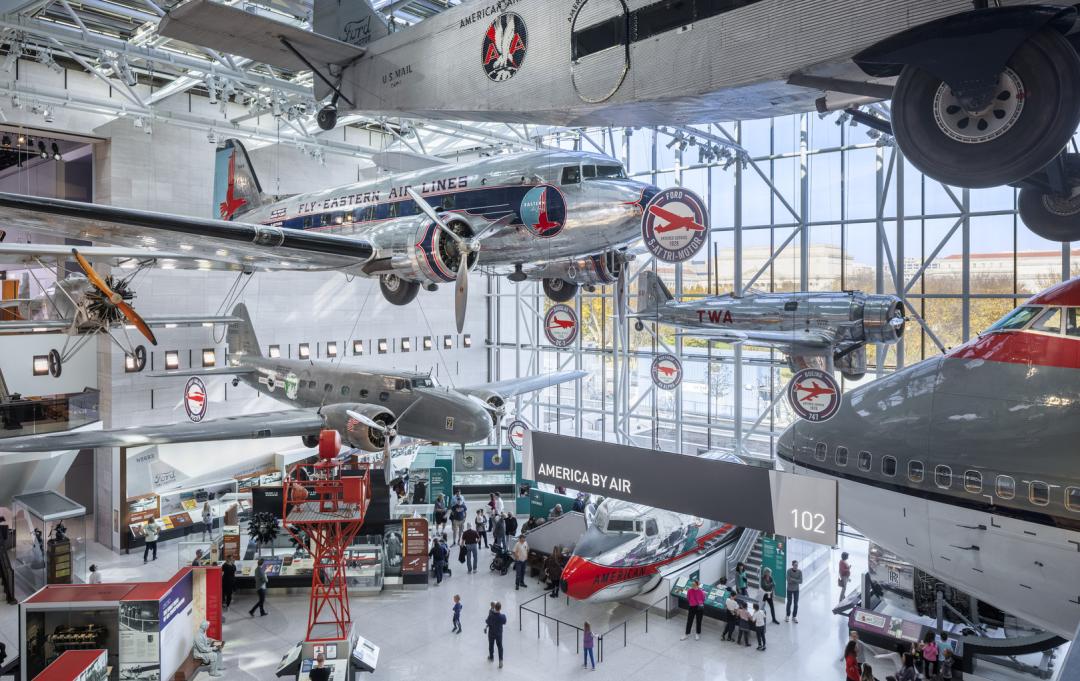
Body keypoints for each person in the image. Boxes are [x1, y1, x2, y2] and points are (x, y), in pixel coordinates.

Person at [486, 601, 507, 668]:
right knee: (500, 647)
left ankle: (491, 657)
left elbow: (487, 621)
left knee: (491, 645)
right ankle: (500, 661)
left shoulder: (491, 615)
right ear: (500, 608)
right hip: (499, 634)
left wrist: (491, 612)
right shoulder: (502, 617)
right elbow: (504, 622)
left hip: (491, 633)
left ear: (494, 607)